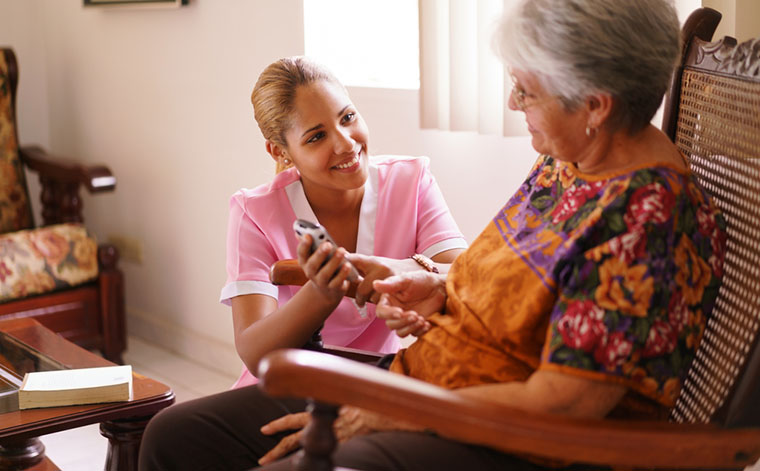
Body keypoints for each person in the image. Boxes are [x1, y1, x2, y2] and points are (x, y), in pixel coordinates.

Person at [247, 0, 727, 469]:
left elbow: (562, 405)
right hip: (425, 386)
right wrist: (438, 286)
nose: (512, 102)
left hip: (498, 441)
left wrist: (392, 413)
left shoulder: (644, 223)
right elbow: (520, 289)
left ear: (595, 106)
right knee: (179, 436)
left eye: (526, 90)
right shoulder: (574, 159)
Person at [137, 56, 466, 470]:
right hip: (292, 377)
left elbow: (466, 277)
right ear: (281, 151)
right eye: (316, 137)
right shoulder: (255, 210)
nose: (346, 142)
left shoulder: (413, 180)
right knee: (168, 434)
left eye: (348, 117)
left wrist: (404, 270)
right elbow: (255, 352)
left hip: (380, 376)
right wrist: (321, 292)